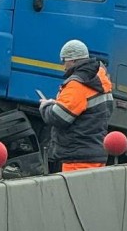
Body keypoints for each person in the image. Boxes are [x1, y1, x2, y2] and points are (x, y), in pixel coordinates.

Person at [39, 39, 114, 173]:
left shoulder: (77, 84)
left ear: (73, 60)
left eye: (64, 61)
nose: (64, 66)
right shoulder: (101, 80)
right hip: (95, 154)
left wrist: (45, 106)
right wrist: (58, 104)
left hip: (76, 158)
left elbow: (59, 117)